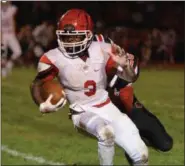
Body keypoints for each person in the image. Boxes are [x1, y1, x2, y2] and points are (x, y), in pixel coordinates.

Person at [30, 9, 148, 166]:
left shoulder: (103, 49)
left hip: (107, 107)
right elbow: (37, 83)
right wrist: (42, 104)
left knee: (141, 155)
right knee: (106, 133)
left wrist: (125, 66)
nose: (71, 41)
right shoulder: (52, 57)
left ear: (89, 35)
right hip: (81, 111)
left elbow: (131, 78)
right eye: (67, 37)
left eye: (75, 36)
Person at [94, 34, 173, 152]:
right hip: (105, 115)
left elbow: (131, 73)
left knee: (165, 144)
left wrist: (122, 67)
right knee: (133, 147)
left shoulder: (117, 61)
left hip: (128, 107)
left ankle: (141, 139)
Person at [1, 1, 22, 77]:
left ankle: (9, 64)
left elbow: (13, 20)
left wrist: (14, 32)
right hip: (2, 34)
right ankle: (3, 71)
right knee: (3, 54)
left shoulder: (12, 8)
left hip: (10, 34)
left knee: (18, 52)